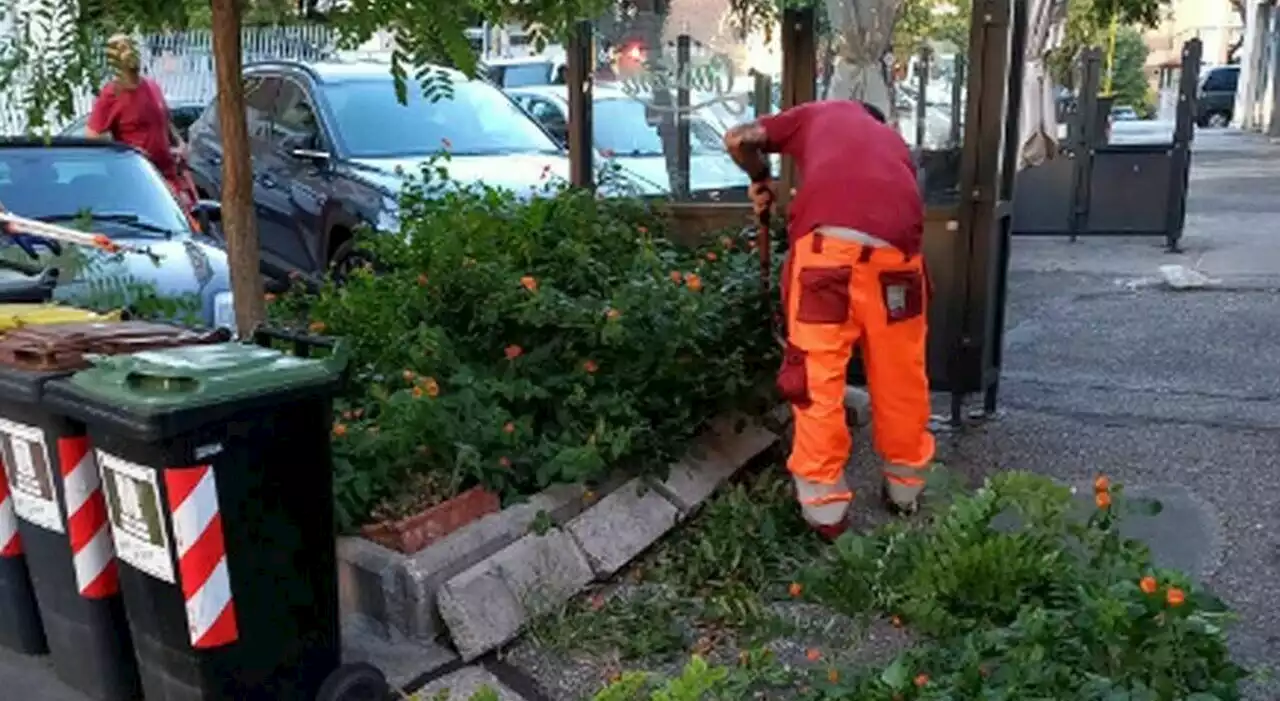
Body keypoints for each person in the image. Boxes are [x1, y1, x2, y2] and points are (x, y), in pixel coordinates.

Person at [723, 99, 934, 540]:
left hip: (827, 255)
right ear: (879, 120)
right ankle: (904, 489)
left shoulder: (819, 114)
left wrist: (761, 179)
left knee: (817, 377)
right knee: (900, 375)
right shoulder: (892, 142)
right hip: (899, 259)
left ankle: (824, 511)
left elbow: (739, 139)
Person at [85, 33, 197, 212]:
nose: (129, 54)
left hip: (170, 174)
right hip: (141, 180)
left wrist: (179, 144)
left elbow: (164, 120)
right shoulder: (111, 95)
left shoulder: (152, 86)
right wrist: (128, 156)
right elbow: (92, 136)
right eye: (121, 49)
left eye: (129, 47)